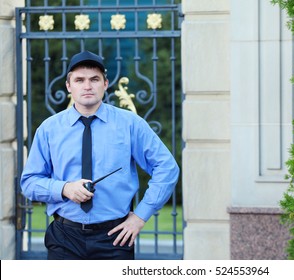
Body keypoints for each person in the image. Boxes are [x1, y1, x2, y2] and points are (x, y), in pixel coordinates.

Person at [20, 50, 180, 260]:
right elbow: (29, 183)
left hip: (115, 238)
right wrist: (65, 188)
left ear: (105, 84)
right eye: (80, 80)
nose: (87, 86)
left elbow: (167, 168)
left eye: (94, 79)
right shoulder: (49, 129)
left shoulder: (130, 124)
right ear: (69, 86)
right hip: (64, 238)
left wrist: (140, 216)